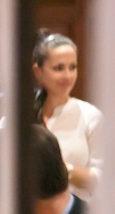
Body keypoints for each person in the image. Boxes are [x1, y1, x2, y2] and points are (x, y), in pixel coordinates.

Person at [32, 30, 103, 200]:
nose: (67, 76)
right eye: (58, 68)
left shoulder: (90, 116)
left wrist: (65, 169)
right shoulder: (20, 118)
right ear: (38, 71)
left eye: (72, 67)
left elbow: (104, 179)